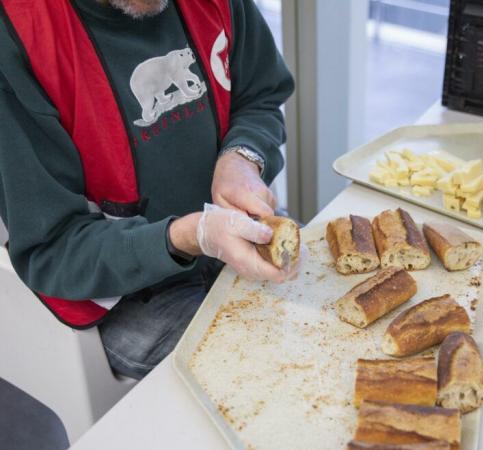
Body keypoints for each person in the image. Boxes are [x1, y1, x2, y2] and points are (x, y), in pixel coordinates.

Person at [0, 0, 296, 379]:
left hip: (235, 240)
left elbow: (260, 94)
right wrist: (187, 237)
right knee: (271, 377)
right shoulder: (20, 35)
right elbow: (52, 249)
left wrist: (243, 157)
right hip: (127, 294)